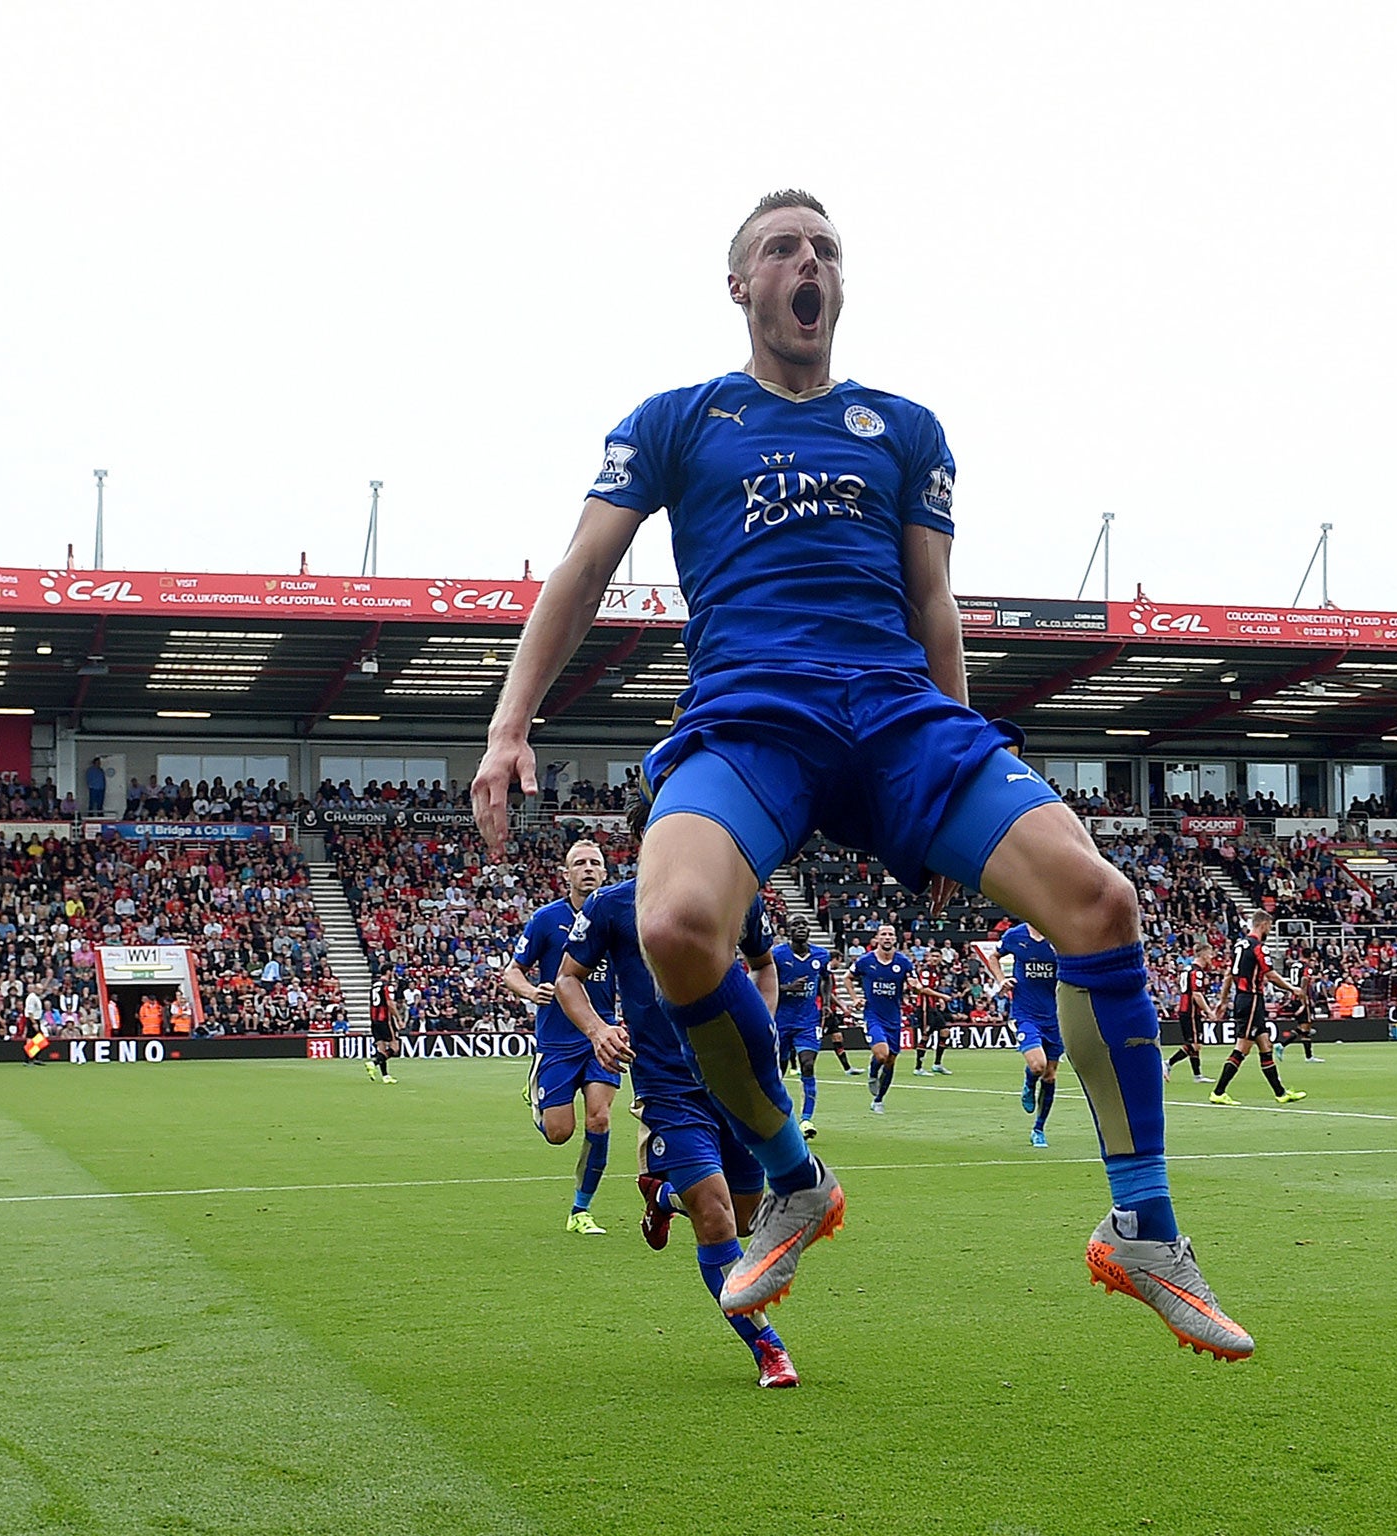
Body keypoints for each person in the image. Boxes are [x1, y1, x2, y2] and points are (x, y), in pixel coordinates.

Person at [473, 189, 1253, 1357]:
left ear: (841, 283)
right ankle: (793, 1179)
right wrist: (506, 725)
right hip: (750, 721)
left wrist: (957, 771)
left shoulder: (906, 430)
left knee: (1101, 902)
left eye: (824, 249)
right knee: (677, 925)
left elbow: (933, 604)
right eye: (781, 248)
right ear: (739, 285)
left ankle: (1142, 1226)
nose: (807, 263)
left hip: (897, 719)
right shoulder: (678, 420)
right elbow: (583, 567)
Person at [555, 816, 799, 1388]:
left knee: (743, 1218)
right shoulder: (614, 906)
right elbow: (568, 980)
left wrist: (761, 1024)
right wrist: (596, 1031)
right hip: (669, 1087)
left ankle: (663, 1194)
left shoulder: (738, 895)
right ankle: (768, 1348)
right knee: (716, 1220)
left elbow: (764, 967)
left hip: (735, 1083)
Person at [503, 841, 621, 1232]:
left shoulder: (618, 915)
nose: (588, 868)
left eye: (595, 863)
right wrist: (530, 992)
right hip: (556, 1039)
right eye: (579, 863)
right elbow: (513, 971)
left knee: (600, 1119)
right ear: (565, 874)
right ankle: (536, 1088)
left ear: (605, 873)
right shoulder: (545, 919)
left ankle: (580, 1210)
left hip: (601, 1034)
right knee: (559, 1133)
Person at [1209, 913, 1307, 1107]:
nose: (1269, 930)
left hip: (1247, 999)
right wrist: (1293, 989)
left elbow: (1229, 975)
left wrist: (1223, 999)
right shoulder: (1258, 947)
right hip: (1251, 999)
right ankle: (1218, 1092)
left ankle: (1281, 1093)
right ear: (1263, 924)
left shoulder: (1240, 945)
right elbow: (1270, 974)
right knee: (1242, 1048)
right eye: (1269, 926)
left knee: (1265, 1046)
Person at [996, 922, 1062, 1148]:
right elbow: (995, 956)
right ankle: (1028, 1083)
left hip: (1055, 1016)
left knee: (1050, 1076)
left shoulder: (1060, 934)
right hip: (1026, 1014)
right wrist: (1001, 980)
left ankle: (1038, 1129)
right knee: (1037, 1066)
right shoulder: (1016, 935)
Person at [770, 915, 830, 1139]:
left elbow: (826, 979)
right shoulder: (777, 955)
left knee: (807, 1064)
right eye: (796, 925)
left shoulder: (820, 955)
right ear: (787, 931)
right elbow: (765, 982)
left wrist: (826, 1004)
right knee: (778, 1069)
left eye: (804, 925)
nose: (801, 928)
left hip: (807, 1021)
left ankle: (806, 1119)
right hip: (782, 1020)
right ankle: (778, 1116)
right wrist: (788, 987)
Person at [851, 925, 915, 1115]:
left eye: (891, 934)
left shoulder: (903, 962)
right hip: (873, 1015)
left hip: (894, 1017)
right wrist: (855, 998)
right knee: (881, 1055)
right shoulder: (866, 961)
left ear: (895, 939)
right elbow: (848, 977)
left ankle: (878, 1100)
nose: (887, 937)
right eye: (884, 934)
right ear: (877, 938)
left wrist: (915, 985)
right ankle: (872, 1073)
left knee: (891, 1061)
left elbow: (914, 981)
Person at [1164, 941, 1216, 1083]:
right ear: (1204, 955)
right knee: (1195, 1044)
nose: (1211, 957)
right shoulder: (1196, 972)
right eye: (1210, 954)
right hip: (1190, 1011)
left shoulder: (1187, 969)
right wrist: (1209, 1011)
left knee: (1194, 1043)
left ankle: (1197, 1075)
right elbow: (1196, 994)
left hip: (1187, 1009)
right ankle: (1168, 1063)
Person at [365, 975, 399, 1084]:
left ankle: (385, 1076)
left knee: (381, 1048)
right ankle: (374, 1063)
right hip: (384, 1019)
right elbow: (390, 1004)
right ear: (389, 972)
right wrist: (398, 1018)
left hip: (374, 1020)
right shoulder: (387, 986)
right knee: (395, 1048)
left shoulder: (374, 986)